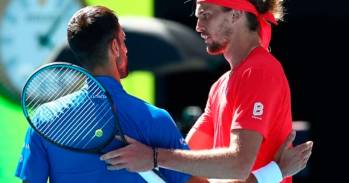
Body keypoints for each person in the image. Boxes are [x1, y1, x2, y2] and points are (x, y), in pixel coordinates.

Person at [100, 0, 313, 183]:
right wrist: (145, 154)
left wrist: (154, 157)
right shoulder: (221, 85)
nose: (198, 26)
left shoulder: (259, 70)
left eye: (206, 15)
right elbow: (188, 158)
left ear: (236, 14)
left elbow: (238, 164)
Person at [15, 6, 192, 183]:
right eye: (123, 41)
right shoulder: (155, 119)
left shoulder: (43, 119)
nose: (126, 49)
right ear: (115, 47)